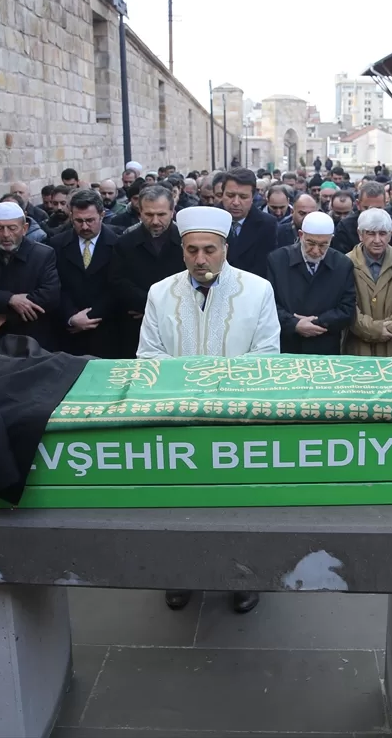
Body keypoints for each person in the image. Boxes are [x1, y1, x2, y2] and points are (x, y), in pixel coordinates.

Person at [139, 208, 279, 614]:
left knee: (239, 507)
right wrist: (189, 390)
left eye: (209, 250)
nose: (201, 259)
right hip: (177, 417)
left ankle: (243, 578)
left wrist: (219, 387)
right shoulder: (159, 292)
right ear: (181, 251)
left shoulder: (258, 290)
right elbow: (148, 354)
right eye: (192, 250)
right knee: (177, 505)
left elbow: (267, 354)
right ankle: (180, 574)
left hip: (237, 418)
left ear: (225, 249)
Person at [0, 201, 61, 350]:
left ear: (24, 228)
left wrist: (7, 315)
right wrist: (9, 299)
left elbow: (49, 295)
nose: (6, 235)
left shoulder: (43, 254)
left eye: (12, 228)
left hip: (33, 337)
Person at [108, 185, 185, 357]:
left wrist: (161, 309)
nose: (155, 221)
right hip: (135, 325)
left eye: (161, 214)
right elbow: (118, 281)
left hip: (180, 323)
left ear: (172, 212)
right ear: (140, 213)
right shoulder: (125, 243)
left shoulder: (186, 242)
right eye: (149, 215)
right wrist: (148, 305)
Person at [267, 211, 356, 356]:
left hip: (324, 346)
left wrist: (318, 322)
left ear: (331, 239)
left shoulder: (342, 264)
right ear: (301, 235)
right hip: (286, 345)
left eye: (323, 245)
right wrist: (294, 324)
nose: (316, 251)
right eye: (310, 243)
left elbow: (347, 308)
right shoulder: (278, 260)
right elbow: (268, 304)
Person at [51, 189, 121, 358]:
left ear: (102, 215)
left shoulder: (119, 244)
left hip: (108, 332)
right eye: (78, 221)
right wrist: (71, 317)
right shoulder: (57, 244)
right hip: (69, 333)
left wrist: (90, 317)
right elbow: (55, 285)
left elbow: (117, 286)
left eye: (90, 220)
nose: (84, 227)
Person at [345, 208, 392, 356]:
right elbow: (346, 305)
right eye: (371, 234)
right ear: (360, 234)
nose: (377, 240)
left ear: (391, 235)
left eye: (383, 233)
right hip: (358, 347)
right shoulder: (345, 262)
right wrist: (372, 329)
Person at [221, 167, 277, 279]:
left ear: (253, 197)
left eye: (243, 197)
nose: (236, 202)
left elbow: (263, 267)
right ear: (222, 194)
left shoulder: (267, 225)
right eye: (230, 196)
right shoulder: (210, 220)